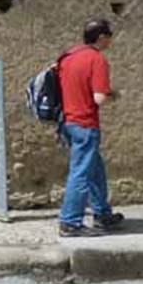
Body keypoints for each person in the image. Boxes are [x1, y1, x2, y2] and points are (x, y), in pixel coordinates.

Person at [57, 18, 123, 237]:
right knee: (81, 173)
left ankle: (102, 214)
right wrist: (113, 94)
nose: (110, 41)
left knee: (95, 170)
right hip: (86, 123)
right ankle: (70, 222)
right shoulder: (97, 60)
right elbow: (99, 98)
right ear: (102, 37)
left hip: (68, 121)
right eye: (109, 37)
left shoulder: (68, 57)